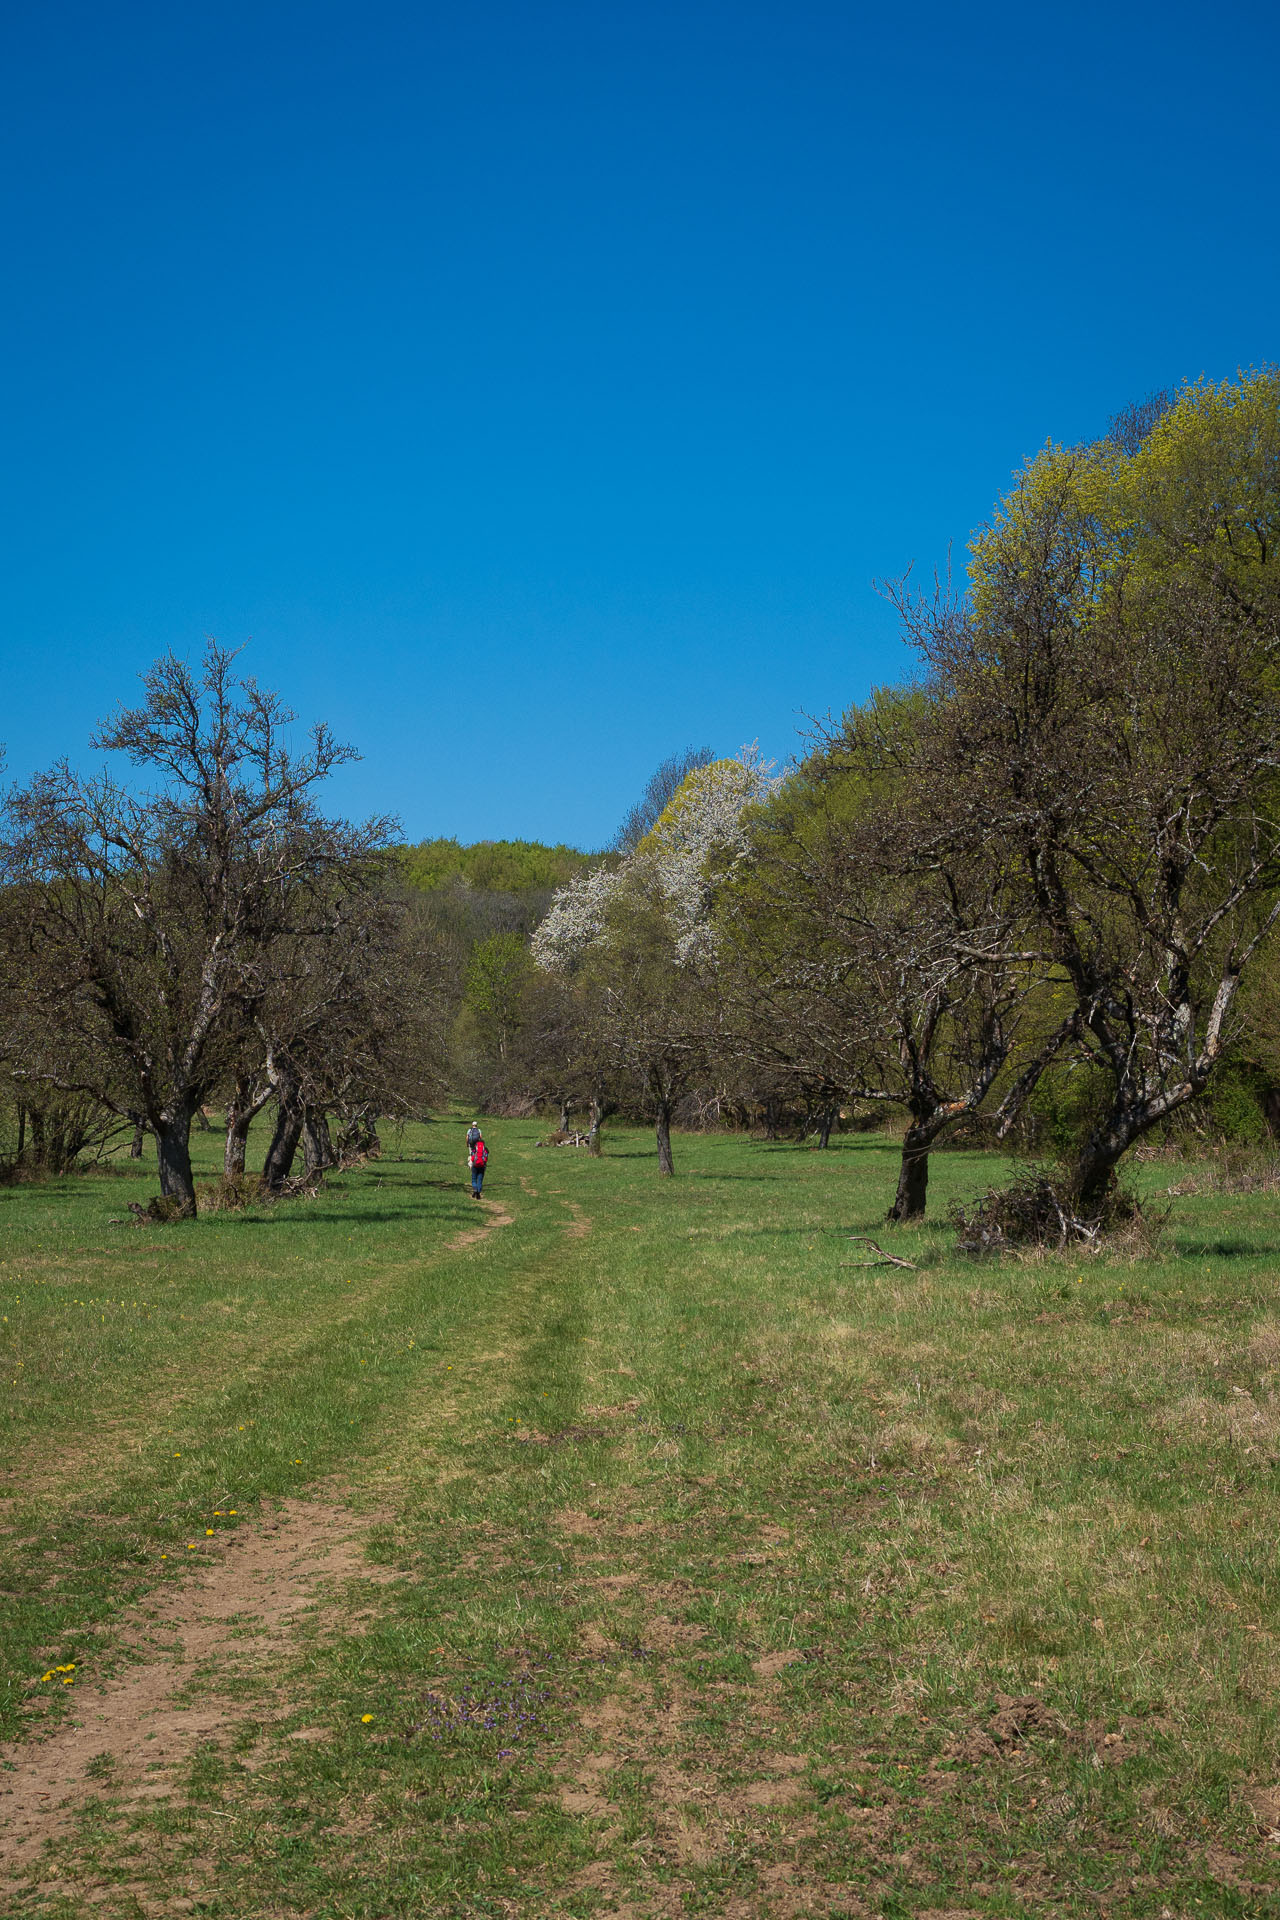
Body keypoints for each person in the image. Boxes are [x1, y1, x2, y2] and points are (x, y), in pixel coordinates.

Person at [466, 1122, 488, 1200]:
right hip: (482, 1165)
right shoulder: (484, 1149)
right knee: (480, 1179)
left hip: (475, 1165)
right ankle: (478, 1191)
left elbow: (472, 1156)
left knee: (474, 1178)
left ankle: (474, 1189)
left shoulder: (474, 1149)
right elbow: (486, 1157)